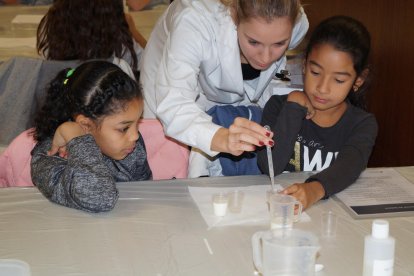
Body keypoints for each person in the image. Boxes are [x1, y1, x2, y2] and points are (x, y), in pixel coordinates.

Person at [140, 0, 309, 177]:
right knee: (171, 164)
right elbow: (173, 104)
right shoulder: (194, 21)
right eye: (254, 42)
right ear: (234, 16)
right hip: (172, 88)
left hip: (234, 89)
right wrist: (222, 138)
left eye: (279, 44)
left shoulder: (297, 23)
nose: (266, 57)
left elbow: (278, 72)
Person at [257, 15, 378, 210]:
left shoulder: (362, 124)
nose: (322, 88)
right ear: (304, 65)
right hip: (281, 209)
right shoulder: (279, 106)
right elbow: (269, 166)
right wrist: (293, 107)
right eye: (315, 73)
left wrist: (315, 189)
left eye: (338, 80)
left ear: (358, 81)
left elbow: (351, 166)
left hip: (333, 218)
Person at [30, 61, 152, 213]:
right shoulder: (50, 156)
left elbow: (144, 194)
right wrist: (79, 142)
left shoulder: (129, 148)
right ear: (85, 125)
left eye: (137, 123)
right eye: (124, 128)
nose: (135, 136)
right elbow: (100, 200)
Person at [36, 0, 145, 76]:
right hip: (111, 100)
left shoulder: (53, 26)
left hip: (65, 95)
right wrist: (133, 31)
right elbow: (149, 61)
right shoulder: (119, 37)